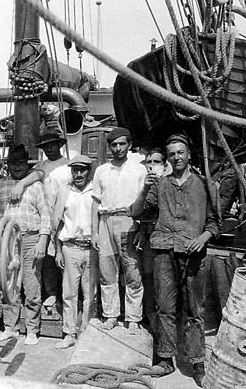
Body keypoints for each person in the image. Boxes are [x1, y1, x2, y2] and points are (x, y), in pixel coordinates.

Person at [131, 134, 221, 387]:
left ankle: (197, 363)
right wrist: (146, 187)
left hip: (193, 253)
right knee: (165, 308)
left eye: (180, 152)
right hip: (163, 251)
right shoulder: (159, 185)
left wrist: (202, 238)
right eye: (172, 154)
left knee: (195, 310)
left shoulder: (205, 185)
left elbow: (216, 224)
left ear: (189, 155)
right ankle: (165, 359)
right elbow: (135, 212)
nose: (176, 157)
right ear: (168, 159)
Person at [0, 145, 50, 346]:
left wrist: (43, 240)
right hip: (7, 241)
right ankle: (10, 327)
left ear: (26, 164)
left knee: (31, 284)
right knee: (9, 285)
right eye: (13, 163)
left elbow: (46, 215)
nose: (17, 167)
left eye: (21, 163)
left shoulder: (36, 186)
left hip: (30, 238)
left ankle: (32, 329)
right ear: (7, 165)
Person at [91, 127, 146, 333]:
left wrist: (141, 228)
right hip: (105, 221)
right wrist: (95, 231)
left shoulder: (139, 169)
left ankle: (133, 318)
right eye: (114, 145)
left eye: (122, 144)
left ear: (129, 145)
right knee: (107, 272)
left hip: (129, 221)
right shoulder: (101, 171)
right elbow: (95, 203)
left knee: (132, 271)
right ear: (109, 147)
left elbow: (144, 201)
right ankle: (111, 315)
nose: (118, 148)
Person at [53, 155, 96, 349]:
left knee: (90, 294)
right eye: (75, 170)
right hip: (70, 247)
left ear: (89, 171)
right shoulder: (64, 192)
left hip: (91, 248)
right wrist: (58, 251)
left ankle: (87, 333)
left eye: (82, 170)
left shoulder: (96, 190)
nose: (78, 174)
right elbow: (57, 223)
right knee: (69, 293)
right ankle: (69, 333)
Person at [32, 129, 72, 308]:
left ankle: (68, 294)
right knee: (48, 259)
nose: (49, 149)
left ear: (60, 145)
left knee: (65, 256)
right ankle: (51, 292)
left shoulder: (69, 166)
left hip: (66, 216)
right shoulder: (40, 167)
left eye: (52, 145)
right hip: (46, 217)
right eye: (46, 146)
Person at [135, 147, 167, 331]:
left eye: (156, 162)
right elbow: (140, 211)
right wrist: (140, 229)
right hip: (149, 238)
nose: (152, 166)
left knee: (162, 280)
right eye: (149, 162)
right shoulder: (144, 184)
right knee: (147, 278)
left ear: (164, 165)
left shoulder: (169, 183)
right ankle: (151, 319)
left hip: (166, 239)